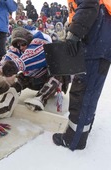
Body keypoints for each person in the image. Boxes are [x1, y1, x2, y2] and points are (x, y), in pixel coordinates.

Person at [52, 0, 111, 150]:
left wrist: (74, 33)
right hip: (103, 45)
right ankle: (84, 129)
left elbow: (89, 5)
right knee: (91, 93)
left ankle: (74, 139)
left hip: (94, 46)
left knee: (82, 93)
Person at [0, 27, 70, 111]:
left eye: (23, 44)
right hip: (35, 81)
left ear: (29, 41)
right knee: (21, 77)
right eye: (18, 45)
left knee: (57, 71)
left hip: (50, 79)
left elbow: (35, 56)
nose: (21, 47)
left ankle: (41, 98)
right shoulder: (20, 50)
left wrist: (15, 65)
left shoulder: (40, 41)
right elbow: (9, 57)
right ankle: (7, 92)